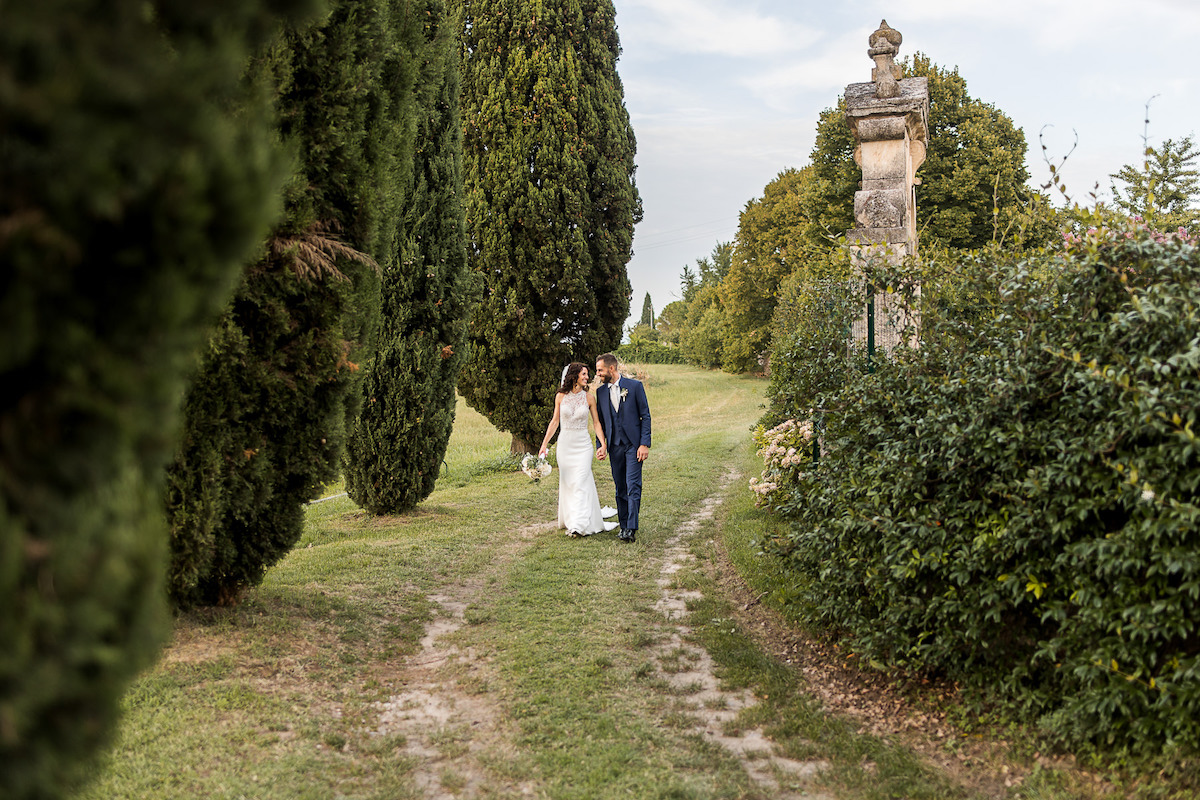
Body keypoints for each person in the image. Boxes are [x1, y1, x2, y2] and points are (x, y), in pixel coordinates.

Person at [538, 363, 620, 538]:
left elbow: (596, 423)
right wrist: (544, 444)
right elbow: (554, 422)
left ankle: (578, 525)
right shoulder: (560, 396)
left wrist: (603, 444)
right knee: (569, 483)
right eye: (584, 374)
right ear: (574, 375)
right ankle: (572, 518)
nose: (586, 377)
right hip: (565, 445)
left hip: (583, 445)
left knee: (581, 481)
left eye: (587, 374)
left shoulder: (589, 398)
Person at [594, 353, 651, 543]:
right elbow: (599, 423)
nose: (598, 374)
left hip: (633, 446)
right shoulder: (600, 392)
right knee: (620, 487)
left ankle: (631, 529)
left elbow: (645, 416)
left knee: (633, 486)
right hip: (614, 447)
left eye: (600, 370)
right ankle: (624, 525)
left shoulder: (634, 387)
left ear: (611, 368)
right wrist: (600, 446)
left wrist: (644, 444)